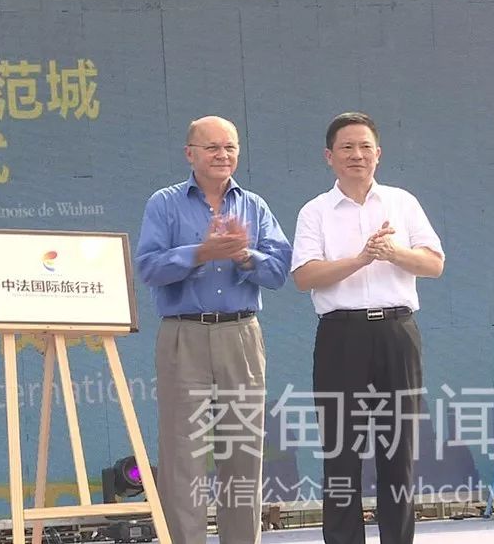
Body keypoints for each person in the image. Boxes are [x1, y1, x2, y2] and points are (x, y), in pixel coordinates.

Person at [135, 116, 292, 543]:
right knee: (182, 453)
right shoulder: (165, 203)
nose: (223, 155)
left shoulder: (254, 205)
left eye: (230, 147)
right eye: (212, 147)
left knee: (243, 451)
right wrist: (200, 252)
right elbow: (148, 267)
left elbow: (279, 270)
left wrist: (244, 256)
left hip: (241, 334)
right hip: (183, 334)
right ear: (190, 154)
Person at [291, 111, 444, 544]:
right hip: (341, 335)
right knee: (341, 452)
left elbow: (434, 263)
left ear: (379, 153)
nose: (356, 155)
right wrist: (361, 259)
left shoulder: (402, 202)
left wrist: (394, 253)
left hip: (397, 332)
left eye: (364, 147)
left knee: (399, 451)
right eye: (346, 147)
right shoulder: (315, 212)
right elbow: (304, 276)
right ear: (329, 156)